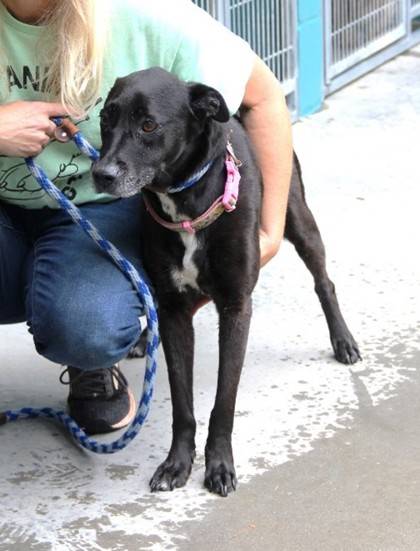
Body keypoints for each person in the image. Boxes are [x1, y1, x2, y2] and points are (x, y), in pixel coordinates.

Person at [0, 0, 292, 434]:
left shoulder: (143, 12)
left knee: (85, 322)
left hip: (99, 207)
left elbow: (262, 97)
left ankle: (89, 360)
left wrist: (270, 228)